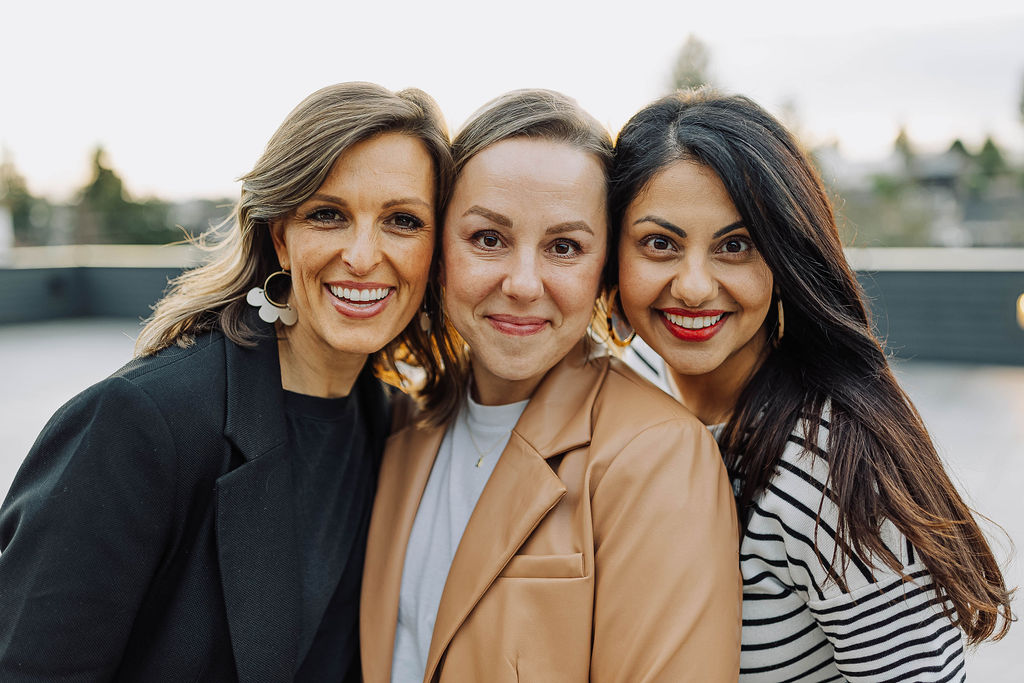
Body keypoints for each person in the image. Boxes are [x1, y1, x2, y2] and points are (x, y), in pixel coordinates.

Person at [0, 82, 453, 682]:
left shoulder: (396, 427)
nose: (363, 256)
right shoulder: (140, 421)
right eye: (327, 214)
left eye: (402, 220)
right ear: (280, 238)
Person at [610, 89, 1014, 682]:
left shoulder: (829, 469)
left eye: (736, 245)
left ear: (784, 259)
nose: (694, 286)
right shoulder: (628, 387)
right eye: (660, 244)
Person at [359, 89, 741, 683]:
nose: (522, 283)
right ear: (438, 254)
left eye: (564, 247)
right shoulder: (407, 422)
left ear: (603, 271)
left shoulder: (659, 455)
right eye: (488, 238)